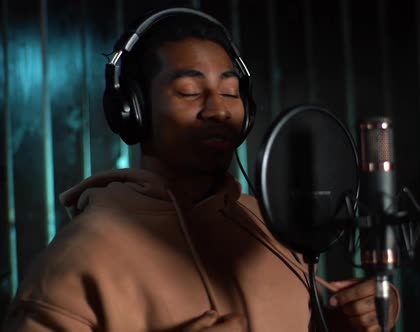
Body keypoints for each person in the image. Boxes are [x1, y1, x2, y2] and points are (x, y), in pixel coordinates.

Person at [3, 8, 399, 332]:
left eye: (230, 92)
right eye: (190, 92)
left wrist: (346, 319)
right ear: (133, 111)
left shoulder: (267, 227)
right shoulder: (78, 259)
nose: (219, 110)